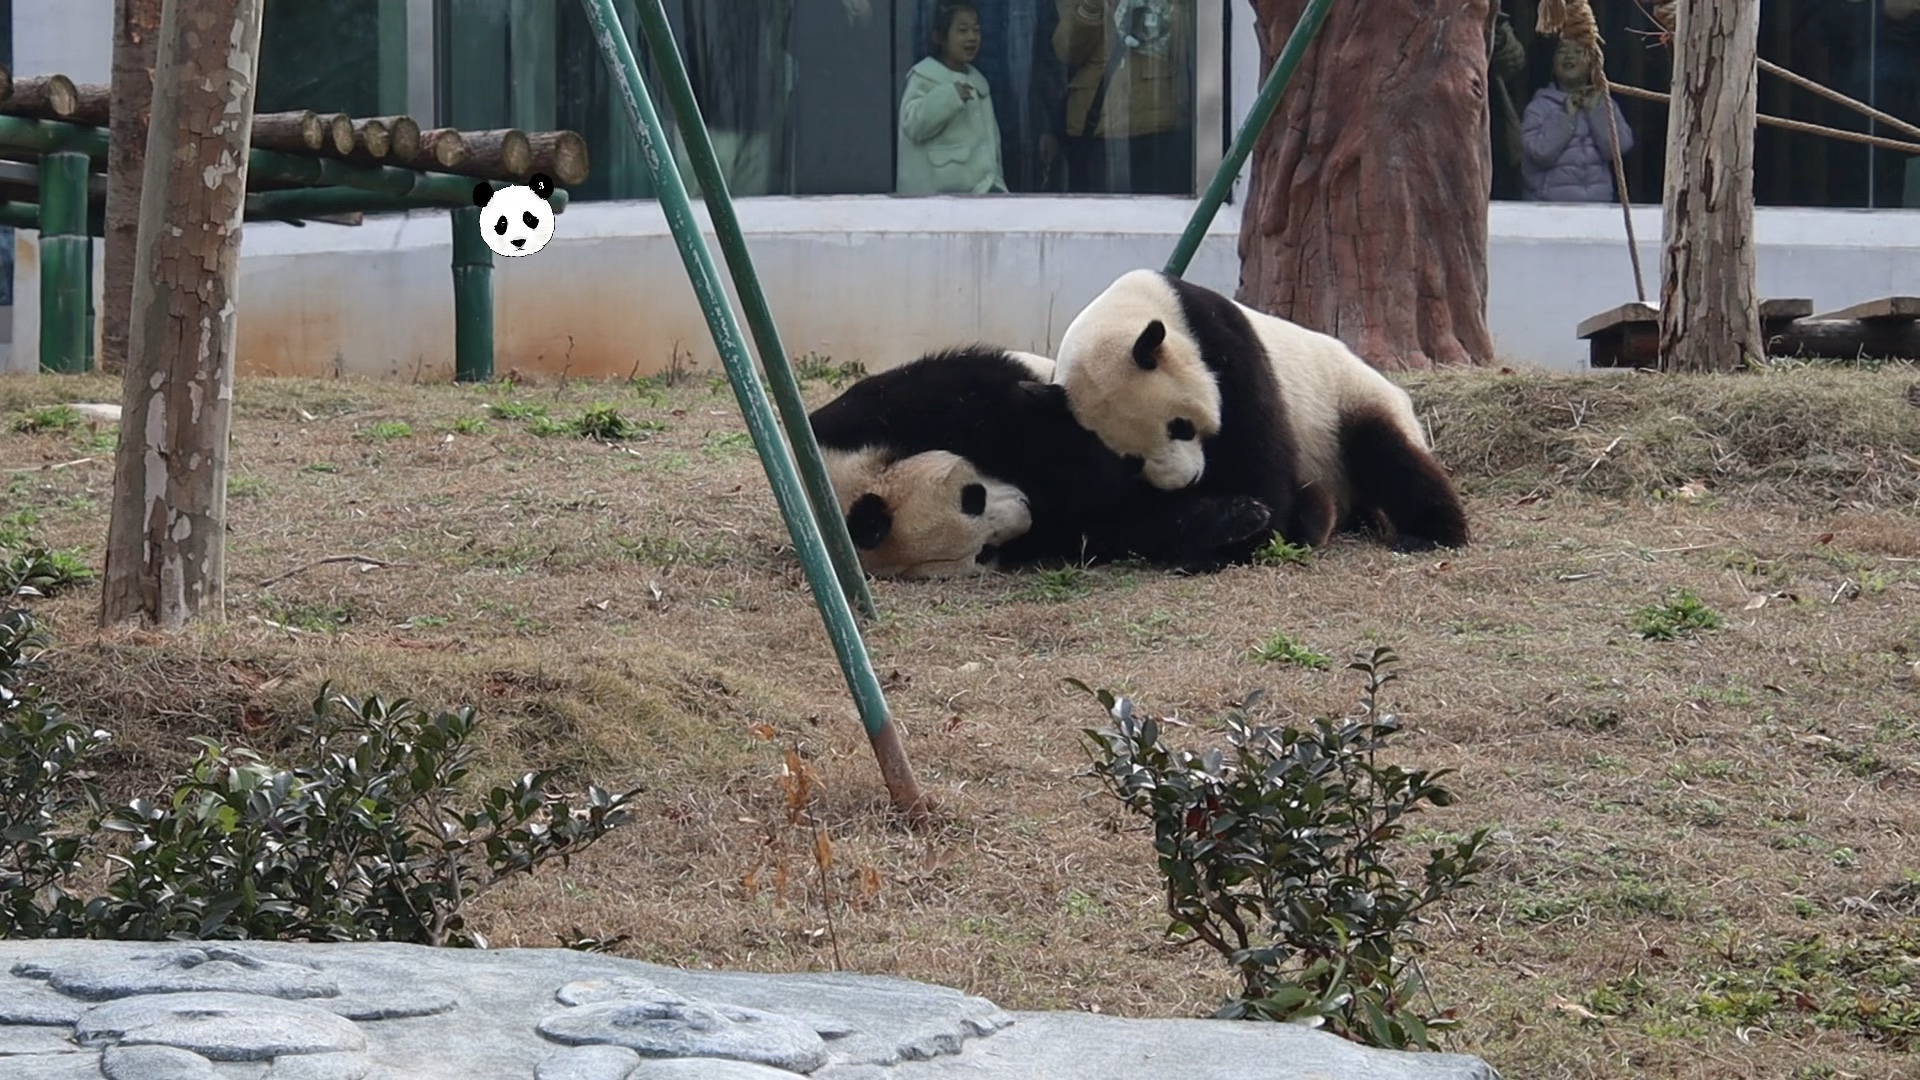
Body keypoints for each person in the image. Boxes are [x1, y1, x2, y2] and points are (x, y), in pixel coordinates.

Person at [1053, 0, 1193, 194]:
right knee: (1093, 216)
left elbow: (1193, 46)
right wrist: (1092, 6)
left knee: (1160, 214)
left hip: (1157, 125)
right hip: (1094, 126)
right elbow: (1067, 51)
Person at [897, 1, 1009, 195]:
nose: (972, 38)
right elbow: (913, 125)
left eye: (976, 30)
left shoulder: (979, 82)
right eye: (962, 30)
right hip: (937, 203)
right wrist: (949, 97)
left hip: (981, 196)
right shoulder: (925, 76)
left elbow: (992, 147)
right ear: (939, 37)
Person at [1520, 37, 1634, 203]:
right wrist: (1566, 116)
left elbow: (1619, 148)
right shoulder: (1538, 107)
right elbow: (1540, 153)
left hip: (1597, 207)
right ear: (1552, 64)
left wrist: (1596, 111)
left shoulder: (1604, 103)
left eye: (1578, 52)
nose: (1569, 56)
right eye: (1562, 51)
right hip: (1547, 208)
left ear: (1592, 64)